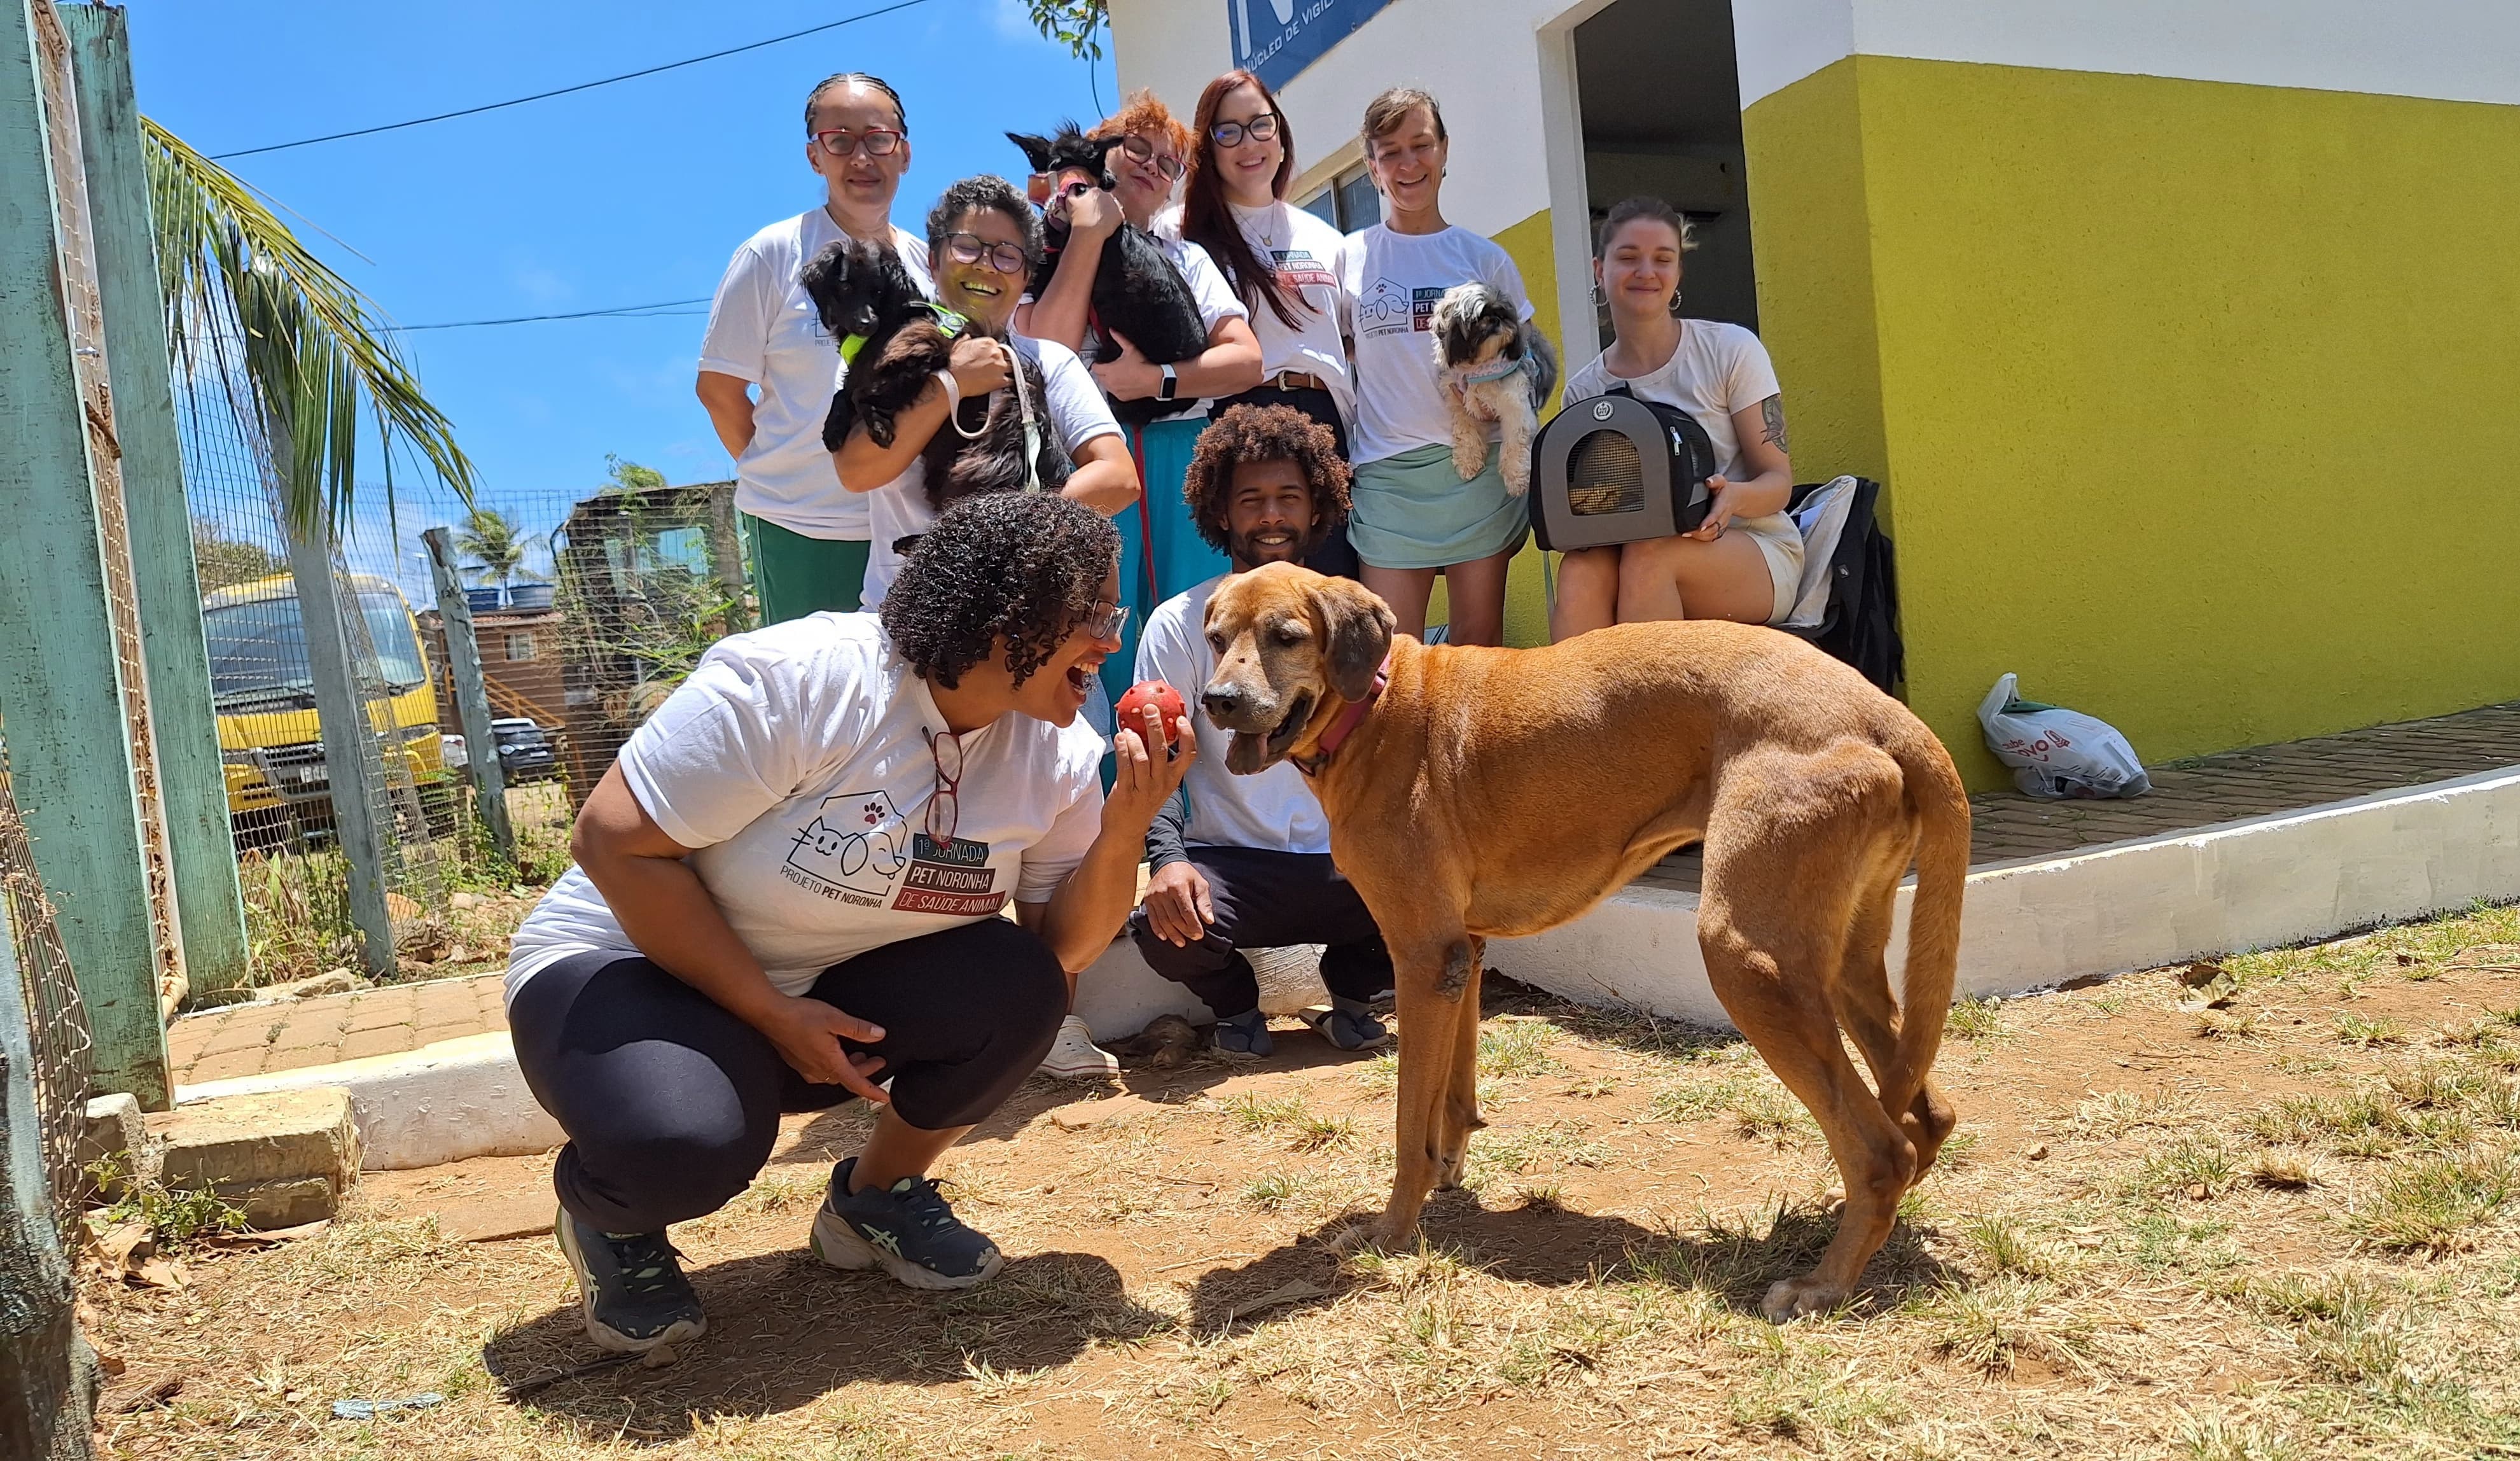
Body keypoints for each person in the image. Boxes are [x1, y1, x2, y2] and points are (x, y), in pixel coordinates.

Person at [506, 493, 1192, 1354]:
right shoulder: (803, 682)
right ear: (1005, 611)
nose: (1111, 641)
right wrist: (768, 1011)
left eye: (1112, 615)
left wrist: (1128, 821)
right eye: (1091, 616)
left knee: (1023, 986)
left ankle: (876, 1199)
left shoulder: (1050, 756)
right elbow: (612, 843)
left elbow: (1063, 952)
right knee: (680, 1142)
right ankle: (612, 1218)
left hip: (822, 999)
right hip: (628, 965)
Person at [1129, 407, 1393, 1054]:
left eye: (1288, 498)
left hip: (1345, 857)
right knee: (1161, 926)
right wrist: (1167, 863)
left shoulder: (1347, 615)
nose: (1271, 515)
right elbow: (1155, 760)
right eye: (1251, 499)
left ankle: (1352, 999)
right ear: (1221, 511)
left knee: (1453, 894)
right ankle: (1235, 1008)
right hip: (1234, 868)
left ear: (1317, 507)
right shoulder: (1177, 621)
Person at [834, 176, 1140, 611]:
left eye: (1007, 255)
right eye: (967, 247)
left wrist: (997, 539)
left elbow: (1119, 479)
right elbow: (857, 471)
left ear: (1027, 276)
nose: (986, 265)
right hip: (906, 613)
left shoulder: (1050, 361)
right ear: (933, 261)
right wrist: (950, 384)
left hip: (1024, 612)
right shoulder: (879, 360)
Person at [698, 73, 926, 622]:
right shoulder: (774, 253)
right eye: (838, 140)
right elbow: (719, 387)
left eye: (878, 138)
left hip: (911, 531)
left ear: (905, 153)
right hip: (805, 532)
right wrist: (784, 475)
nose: (861, 157)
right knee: (813, 701)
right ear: (814, 157)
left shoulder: (929, 268)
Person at [1549, 197, 1802, 640]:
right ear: (1598, 270)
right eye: (1628, 257)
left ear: (1677, 273)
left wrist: (1732, 499)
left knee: (1651, 557)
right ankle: (1575, 709)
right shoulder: (1583, 392)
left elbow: (1777, 483)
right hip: (1630, 555)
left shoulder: (1730, 350)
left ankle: (1655, 709)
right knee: (1579, 570)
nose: (1646, 272)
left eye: (1662, 259)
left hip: (1752, 548)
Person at [1339, 88, 1535, 647]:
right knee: (1392, 659)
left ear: (1444, 150)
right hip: (1387, 479)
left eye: (1421, 145)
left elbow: (1527, 363)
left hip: (1476, 475)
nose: (1408, 164)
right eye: (1390, 150)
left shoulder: (1484, 258)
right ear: (1371, 165)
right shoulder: (1348, 257)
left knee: (1478, 652)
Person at [1171, 69, 1360, 578]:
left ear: (1280, 133)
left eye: (1259, 125)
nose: (1247, 143)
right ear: (1207, 148)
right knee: (1247, 594)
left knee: (1329, 590)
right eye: (1226, 131)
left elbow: (1351, 343)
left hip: (1325, 424)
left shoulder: (1325, 237)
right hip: (1235, 419)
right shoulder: (1180, 234)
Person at [1016, 90, 1263, 412]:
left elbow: (1246, 362)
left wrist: (1156, 380)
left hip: (1177, 438)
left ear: (1168, 193)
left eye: (1167, 165)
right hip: (1079, 441)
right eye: (1137, 149)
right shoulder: (1032, 252)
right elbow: (1046, 353)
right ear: (1100, 153)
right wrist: (1089, 234)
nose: (1150, 166)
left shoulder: (1186, 257)